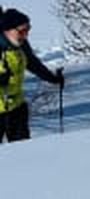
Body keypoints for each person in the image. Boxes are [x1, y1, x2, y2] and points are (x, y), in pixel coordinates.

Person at [0, 8, 64, 142]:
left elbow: (32, 63)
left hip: (17, 106)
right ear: (7, 30)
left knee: (22, 151)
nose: (25, 35)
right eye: (22, 31)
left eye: (28, 30)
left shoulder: (20, 45)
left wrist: (52, 78)